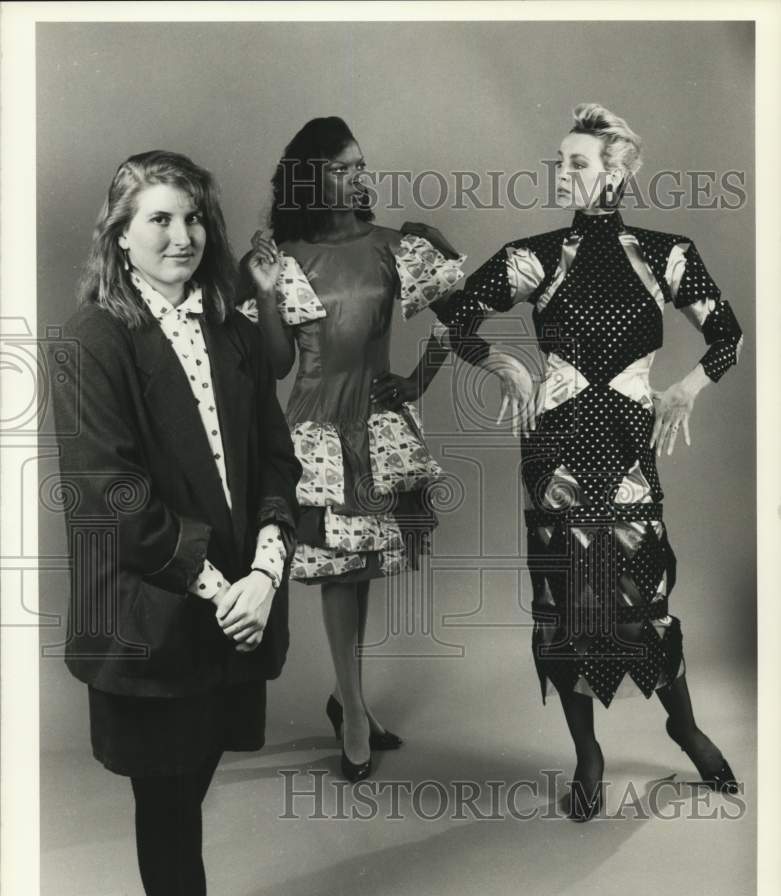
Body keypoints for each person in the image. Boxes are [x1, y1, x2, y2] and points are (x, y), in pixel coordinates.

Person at [432, 103, 743, 820]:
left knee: (641, 594)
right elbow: (456, 317)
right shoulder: (534, 254)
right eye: (559, 162)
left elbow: (725, 334)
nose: (560, 174)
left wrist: (684, 391)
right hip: (555, 449)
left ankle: (682, 724)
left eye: (575, 162)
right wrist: (503, 365)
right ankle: (587, 754)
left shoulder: (666, 252)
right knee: (567, 603)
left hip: (628, 442)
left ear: (616, 172)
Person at [50, 150, 301, 896]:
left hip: (235, 612)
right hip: (151, 620)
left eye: (193, 218)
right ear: (120, 236)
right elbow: (109, 497)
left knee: (188, 789)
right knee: (167, 809)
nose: (182, 235)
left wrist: (265, 575)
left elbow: (275, 461)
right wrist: (221, 584)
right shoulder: (93, 341)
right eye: (159, 218)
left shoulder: (229, 331)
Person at [236, 116, 525, 781]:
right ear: (311, 177)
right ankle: (356, 713)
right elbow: (277, 365)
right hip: (315, 431)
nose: (359, 178)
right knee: (341, 574)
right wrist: (262, 289)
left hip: (375, 423)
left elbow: (458, 313)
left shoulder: (396, 247)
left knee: (358, 571)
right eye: (343, 167)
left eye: (360, 166)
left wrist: (418, 379)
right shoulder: (286, 257)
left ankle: (348, 698)